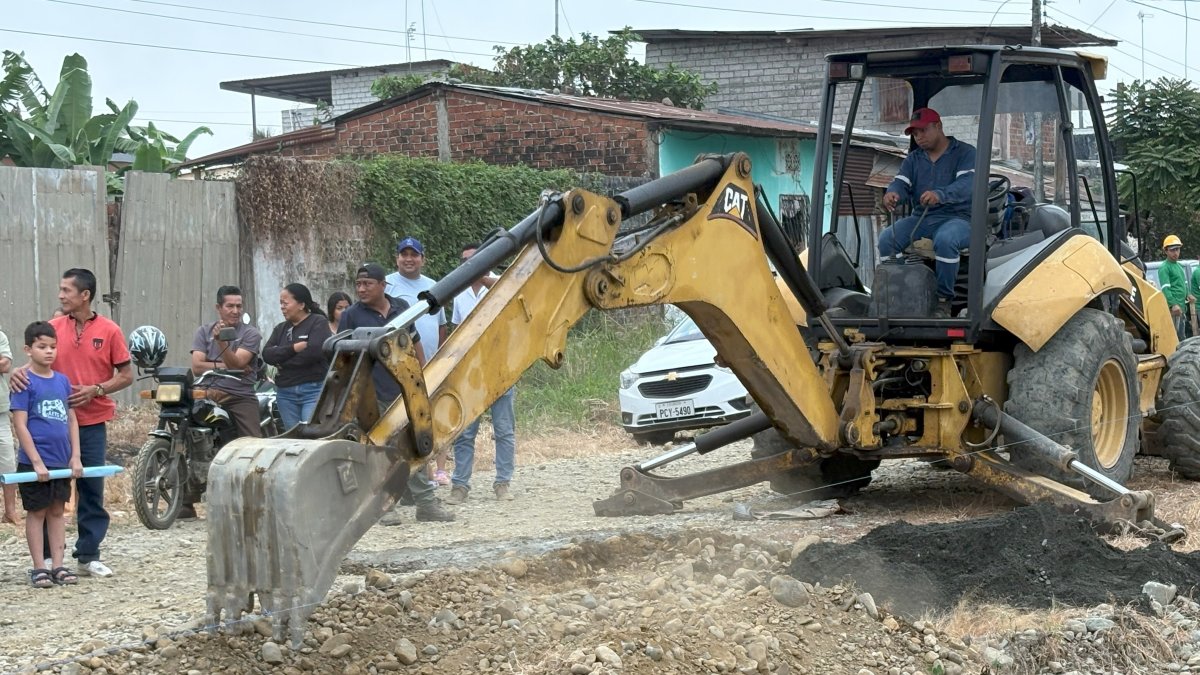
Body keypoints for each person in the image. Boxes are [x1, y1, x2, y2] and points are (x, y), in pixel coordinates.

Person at [11, 268, 133, 578]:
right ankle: (50, 561)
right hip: (51, 429)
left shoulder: (110, 330)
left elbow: (126, 375)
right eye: (61, 289)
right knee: (49, 495)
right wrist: (15, 373)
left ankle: (88, 555)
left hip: (90, 423)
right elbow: (36, 360)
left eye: (66, 290)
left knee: (91, 489)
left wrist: (98, 389)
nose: (61, 295)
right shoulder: (53, 328)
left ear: (85, 295)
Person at [341, 262, 453, 523]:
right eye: (358, 284)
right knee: (383, 451)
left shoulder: (401, 309)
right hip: (373, 392)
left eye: (367, 283)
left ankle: (426, 504)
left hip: (404, 390)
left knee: (414, 442)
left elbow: (413, 343)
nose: (361, 289)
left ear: (383, 285)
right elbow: (346, 355)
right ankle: (384, 507)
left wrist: (423, 378)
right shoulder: (352, 315)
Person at [877, 108, 977, 318]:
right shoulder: (914, 159)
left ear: (938, 126)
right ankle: (903, 293)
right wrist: (893, 193)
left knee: (946, 239)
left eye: (923, 131)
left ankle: (943, 300)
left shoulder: (965, 153)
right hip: (923, 218)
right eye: (915, 134)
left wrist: (940, 194)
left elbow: (968, 184)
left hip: (961, 218)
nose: (919, 137)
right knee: (887, 238)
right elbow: (900, 183)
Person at [11, 322, 83, 587]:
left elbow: (72, 420)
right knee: (37, 512)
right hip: (34, 463)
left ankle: (59, 565)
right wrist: (36, 462)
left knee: (56, 512)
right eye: (42, 347)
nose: (49, 352)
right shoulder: (23, 382)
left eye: (53, 347)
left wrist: (75, 456)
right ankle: (39, 567)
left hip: (61, 461)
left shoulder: (63, 381)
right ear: (28, 349)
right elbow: (20, 424)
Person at [444, 243, 515, 504]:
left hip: (501, 367)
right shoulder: (459, 293)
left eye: (474, 261)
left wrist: (484, 277)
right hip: (469, 372)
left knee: (504, 429)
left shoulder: (501, 282)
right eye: (464, 262)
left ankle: (503, 483)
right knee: (465, 430)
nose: (468, 265)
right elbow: (455, 329)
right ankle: (460, 486)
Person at [384, 236, 451, 485]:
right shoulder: (387, 285)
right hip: (399, 367)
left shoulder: (434, 285)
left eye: (414, 255)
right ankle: (406, 477)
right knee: (404, 421)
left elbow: (441, 325)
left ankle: (435, 471)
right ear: (397, 258)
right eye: (404, 254)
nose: (409, 259)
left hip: (429, 365)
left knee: (432, 416)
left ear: (423, 258)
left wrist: (438, 357)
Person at [191, 285, 264, 438]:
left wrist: (221, 341)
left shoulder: (251, 334)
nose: (235, 311)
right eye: (230, 306)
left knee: (252, 443)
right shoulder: (204, 331)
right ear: (219, 307)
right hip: (206, 390)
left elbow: (236, 364)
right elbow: (197, 367)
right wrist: (225, 367)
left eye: (239, 306)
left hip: (237, 394)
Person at [263, 284, 333, 429]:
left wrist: (282, 360)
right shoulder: (281, 328)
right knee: (293, 440)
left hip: (313, 390)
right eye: (280, 303)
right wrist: (294, 348)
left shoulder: (318, 322)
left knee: (311, 436)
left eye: (285, 303)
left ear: (301, 304)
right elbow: (267, 355)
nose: (282, 307)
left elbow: (314, 353)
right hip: (285, 393)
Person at [0, 324, 19, 524]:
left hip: (1, 410)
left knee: (7, 460)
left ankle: (10, 511)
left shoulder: (1, 336)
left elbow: (5, 364)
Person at [1160, 235, 1192, 341]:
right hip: (1173, 310)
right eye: (1172, 250)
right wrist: (1173, 304)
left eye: (1177, 249)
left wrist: (1188, 295)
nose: (1175, 253)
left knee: (1182, 337)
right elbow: (1165, 289)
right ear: (1166, 251)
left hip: (1181, 308)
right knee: (1174, 338)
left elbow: (1184, 284)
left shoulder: (1179, 266)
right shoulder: (1165, 267)